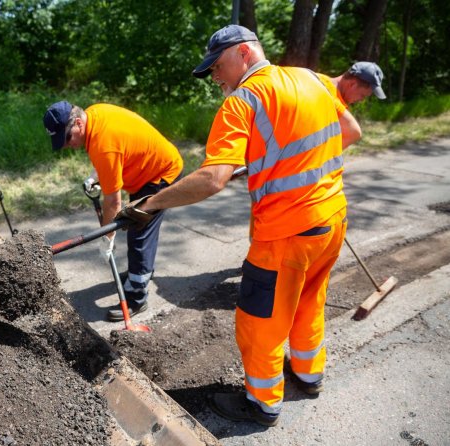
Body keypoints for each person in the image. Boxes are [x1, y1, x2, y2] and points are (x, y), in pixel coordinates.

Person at [117, 25, 361, 427]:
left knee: (259, 323)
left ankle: (262, 403)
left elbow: (212, 178)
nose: (214, 76)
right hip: (331, 219)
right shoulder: (311, 79)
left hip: (286, 235)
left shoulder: (243, 100)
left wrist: (151, 202)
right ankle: (308, 375)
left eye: (217, 65)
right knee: (308, 301)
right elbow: (350, 132)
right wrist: (283, 166)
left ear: (244, 53)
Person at [43, 101, 183, 321]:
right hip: (144, 171)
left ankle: (137, 296)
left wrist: (107, 237)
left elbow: (112, 202)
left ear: (78, 123)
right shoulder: (94, 115)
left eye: (67, 138)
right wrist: (95, 176)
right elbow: (113, 154)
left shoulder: (102, 143)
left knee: (139, 230)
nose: (67, 145)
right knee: (140, 228)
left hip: (160, 174)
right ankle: (142, 271)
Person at [317, 61, 386, 107]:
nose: (361, 101)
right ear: (352, 84)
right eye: (362, 95)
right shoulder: (329, 101)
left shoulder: (317, 78)